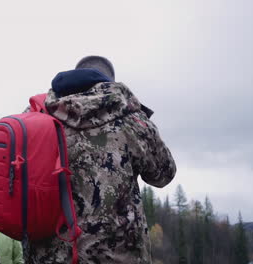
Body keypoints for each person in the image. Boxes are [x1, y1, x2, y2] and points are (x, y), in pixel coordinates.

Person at [27, 56, 176, 263]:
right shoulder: (130, 119)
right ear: (109, 81)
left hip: (47, 257)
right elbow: (163, 175)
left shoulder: (39, 115)